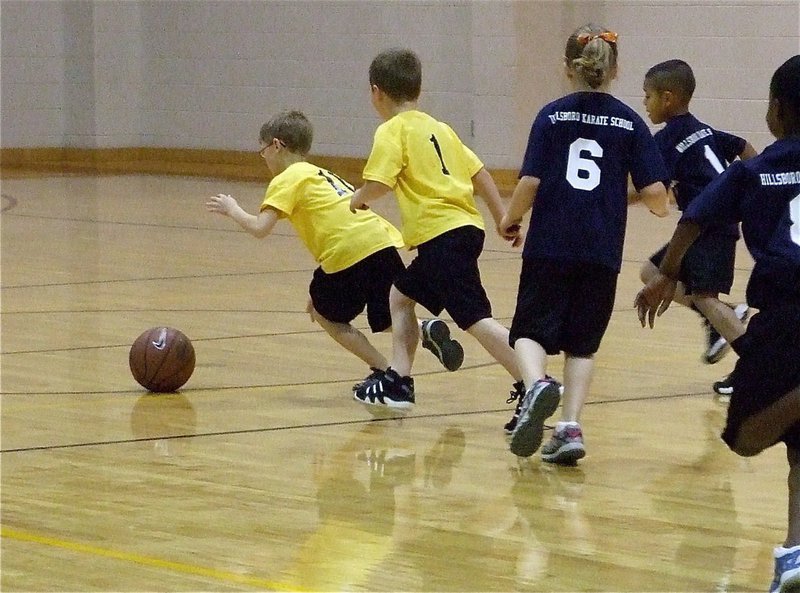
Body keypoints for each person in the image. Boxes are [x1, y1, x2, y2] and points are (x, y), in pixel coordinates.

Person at [634, 55, 800, 593]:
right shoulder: (738, 153)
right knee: (799, 450)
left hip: (785, 312)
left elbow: (692, 217)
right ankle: (796, 554)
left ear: (776, 109)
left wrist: (665, 276)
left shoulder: (756, 170)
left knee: (746, 436)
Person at [498, 24, 670, 462]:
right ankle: (570, 427)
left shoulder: (551, 115)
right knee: (583, 343)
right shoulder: (631, 123)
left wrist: (510, 219)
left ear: (567, 68)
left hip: (551, 244)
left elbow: (530, 181)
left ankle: (537, 384)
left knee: (529, 331)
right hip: (601, 249)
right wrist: (618, 191)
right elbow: (658, 201)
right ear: (616, 71)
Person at [205, 110, 464, 392]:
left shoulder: (286, 178)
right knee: (391, 315)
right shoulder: (322, 173)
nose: (264, 157)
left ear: (277, 145)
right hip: (379, 240)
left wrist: (233, 209)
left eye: (263, 150)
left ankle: (383, 369)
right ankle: (426, 328)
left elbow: (260, 228)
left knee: (324, 312)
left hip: (348, 251)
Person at [348, 48, 525, 412]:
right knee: (399, 296)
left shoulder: (391, 130)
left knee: (475, 318)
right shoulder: (440, 128)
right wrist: (501, 216)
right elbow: (480, 174)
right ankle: (398, 381)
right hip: (462, 230)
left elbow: (379, 183)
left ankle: (533, 379)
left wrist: (359, 199)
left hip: (442, 236)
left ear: (376, 92)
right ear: (418, 90)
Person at [639, 59, 757, 387]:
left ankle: (757, 368)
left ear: (667, 98)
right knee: (652, 272)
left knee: (706, 298)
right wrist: (756, 182)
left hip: (707, 226)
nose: (644, 104)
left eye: (647, 96)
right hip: (713, 225)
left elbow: (652, 189)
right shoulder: (701, 129)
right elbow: (743, 146)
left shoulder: (664, 141)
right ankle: (726, 318)